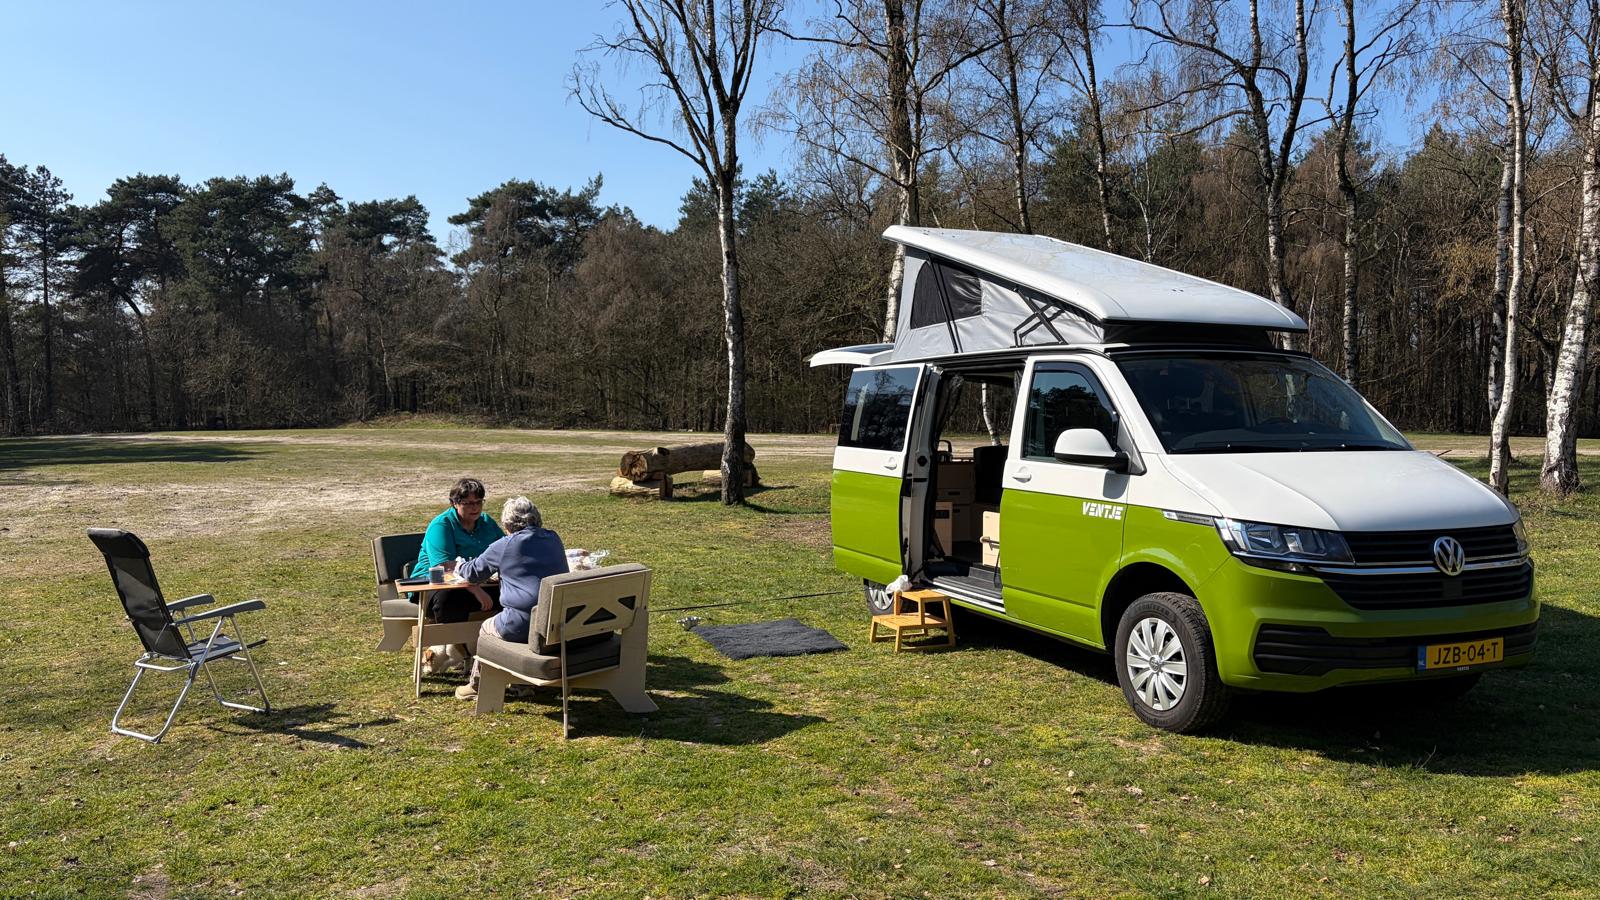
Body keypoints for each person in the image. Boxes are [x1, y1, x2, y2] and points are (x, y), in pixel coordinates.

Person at [453, 497, 568, 700]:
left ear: (507, 524)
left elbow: (472, 573)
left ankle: (477, 685)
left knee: (487, 629)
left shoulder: (505, 545)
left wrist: (459, 565)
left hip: (523, 623)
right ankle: (519, 683)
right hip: (558, 621)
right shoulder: (553, 538)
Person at [413, 477, 506, 625]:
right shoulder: (441, 525)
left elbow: (506, 550)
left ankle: (503, 633)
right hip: (434, 585)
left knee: (514, 592)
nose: (475, 507)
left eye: (478, 502)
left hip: (480, 582)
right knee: (451, 598)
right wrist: (474, 588)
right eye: (467, 503)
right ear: (454, 503)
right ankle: (452, 639)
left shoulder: (486, 522)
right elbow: (443, 566)